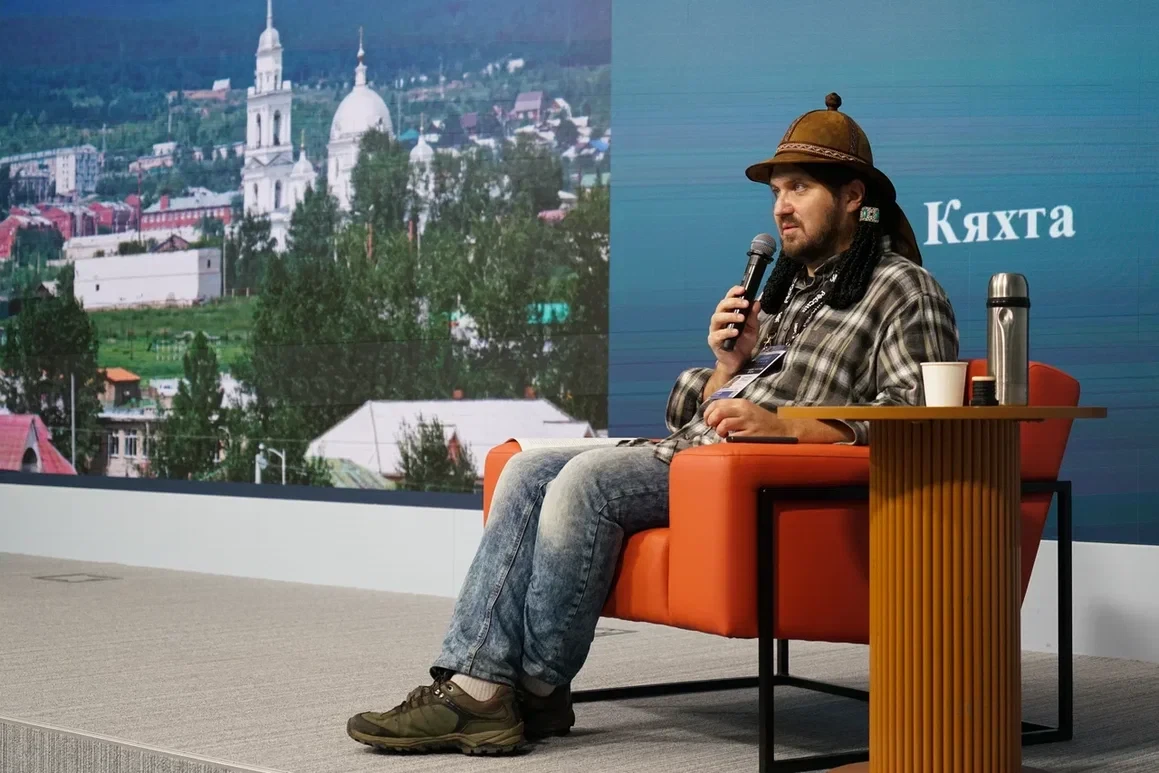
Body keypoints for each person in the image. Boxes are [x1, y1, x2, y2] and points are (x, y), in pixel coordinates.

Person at [345, 92, 959, 755]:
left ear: (851, 196)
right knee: (525, 467)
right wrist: (726, 366)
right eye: (776, 190)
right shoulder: (783, 296)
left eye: (799, 188)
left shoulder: (903, 289)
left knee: (585, 480)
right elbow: (691, 404)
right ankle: (478, 681)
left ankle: (532, 687)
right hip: (695, 454)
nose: (779, 205)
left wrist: (786, 426)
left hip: (755, 476)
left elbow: (916, 418)